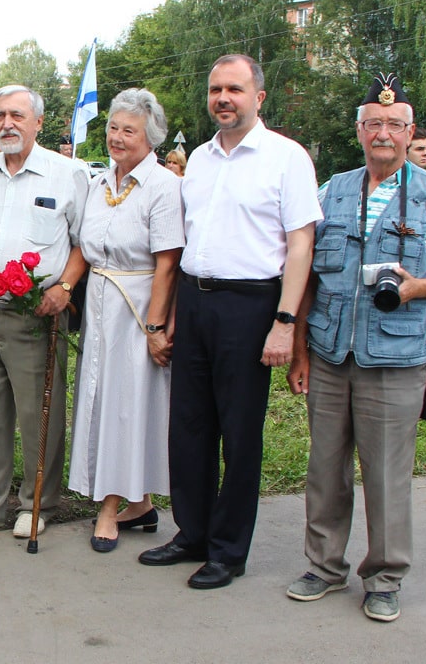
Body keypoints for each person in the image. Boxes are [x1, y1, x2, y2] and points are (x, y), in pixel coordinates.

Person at [286, 73, 426, 622]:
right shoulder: (333, 190)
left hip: (396, 360)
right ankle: (324, 567)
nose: (384, 133)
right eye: (373, 123)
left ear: (410, 131)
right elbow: (307, 279)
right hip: (329, 355)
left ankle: (385, 575)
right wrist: (300, 350)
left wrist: (416, 288)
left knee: (386, 474)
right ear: (359, 131)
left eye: (395, 125)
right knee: (324, 467)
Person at [138, 54, 321, 590]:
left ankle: (228, 549)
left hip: (251, 306)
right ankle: (191, 532)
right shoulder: (199, 158)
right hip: (195, 303)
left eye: (235, 89)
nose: (223, 98)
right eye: (216, 89)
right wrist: (172, 314)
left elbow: (300, 243)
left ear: (258, 98)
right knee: (189, 426)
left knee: (239, 433)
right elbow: (191, 241)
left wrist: (285, 322)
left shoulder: (287, 158)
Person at [0, 85, 89, 538]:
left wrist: (65, 287)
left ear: (38, 123)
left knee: (37, 413)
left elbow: (84, 243)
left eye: (17, 115)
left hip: (37, 312)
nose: (7, 123)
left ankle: (35, 503)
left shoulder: (68, 174)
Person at [67, 88, 182, 552]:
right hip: (99, 304)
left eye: (127, 130)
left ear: (150, 137)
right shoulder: (98, 183)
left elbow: (169, 262)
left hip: (138, 306)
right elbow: (82, 246)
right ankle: (141, 504)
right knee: (100, 397)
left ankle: (111, 507)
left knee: (129, 405)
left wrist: (155, 328)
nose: (116, 137)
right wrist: (61, 288)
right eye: (112, 127)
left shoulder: (164, 186)